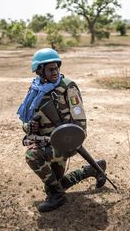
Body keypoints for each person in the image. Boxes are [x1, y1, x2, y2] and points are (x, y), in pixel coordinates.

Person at [17, 48, 106, 212]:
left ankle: (58, 197)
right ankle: (90, 170)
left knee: (32, 156)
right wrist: (29, 127)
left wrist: (68, 140)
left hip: (66, 143)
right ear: (39, 70)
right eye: (50, 69)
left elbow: (80, 123)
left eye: (57, 68)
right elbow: (26, 121)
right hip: (45, 142)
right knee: (56, 183)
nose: (55, 72)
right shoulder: (35, 90)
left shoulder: (67, 88)